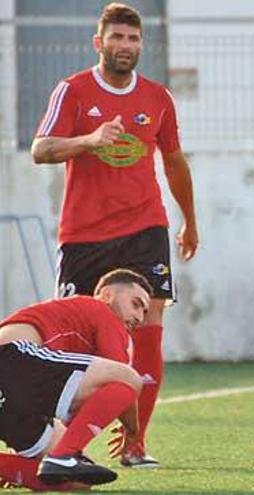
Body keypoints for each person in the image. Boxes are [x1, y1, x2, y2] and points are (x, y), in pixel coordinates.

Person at [29, 2, 198, 468]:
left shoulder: (158, 97)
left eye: (133, 39)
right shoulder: (74, 91)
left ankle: (136, 442)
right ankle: (60, 441)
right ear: (98, 42)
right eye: (117, 38)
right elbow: (40, 149)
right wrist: (89, 140)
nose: (125, 46)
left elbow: (175, 162)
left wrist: (190, 220)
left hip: (145, 227)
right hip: (84, 235)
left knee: (149, 329)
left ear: (141, 45)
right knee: (69, 338)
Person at [0, 269, 151, 490]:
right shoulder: (102, 310)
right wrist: (133, 432)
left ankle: (46, 461)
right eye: (136, 304)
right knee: (129, 379)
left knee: (76, 480)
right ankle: (62, 456)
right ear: (108, 294)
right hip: (12, 357)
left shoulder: (77, 330)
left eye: (145, 312)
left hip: (17, 390)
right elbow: (124, 378)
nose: (140, 317)